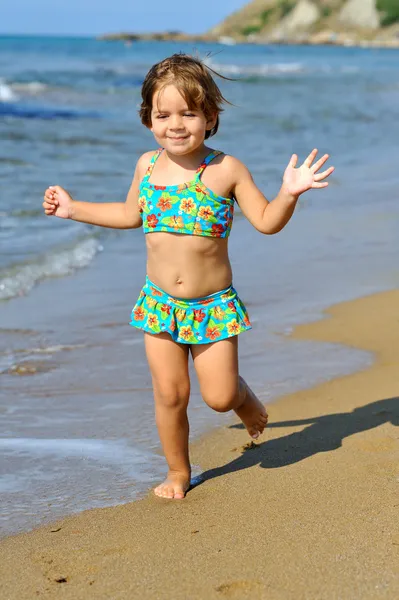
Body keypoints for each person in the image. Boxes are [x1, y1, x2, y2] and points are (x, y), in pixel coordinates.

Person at [43, 53, 334, 500]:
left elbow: (267, 222)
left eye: (188, 113)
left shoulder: (225, 170)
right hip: (159, 304)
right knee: (170, 394)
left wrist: (289, 194)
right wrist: (72, 208)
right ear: (148, 119)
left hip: (212, 307)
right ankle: (178, 470)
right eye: (163, 115)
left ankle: (243, 398)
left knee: (217, 397)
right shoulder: (147, 165)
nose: (175, 125)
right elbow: (128, 214)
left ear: (210, 117)